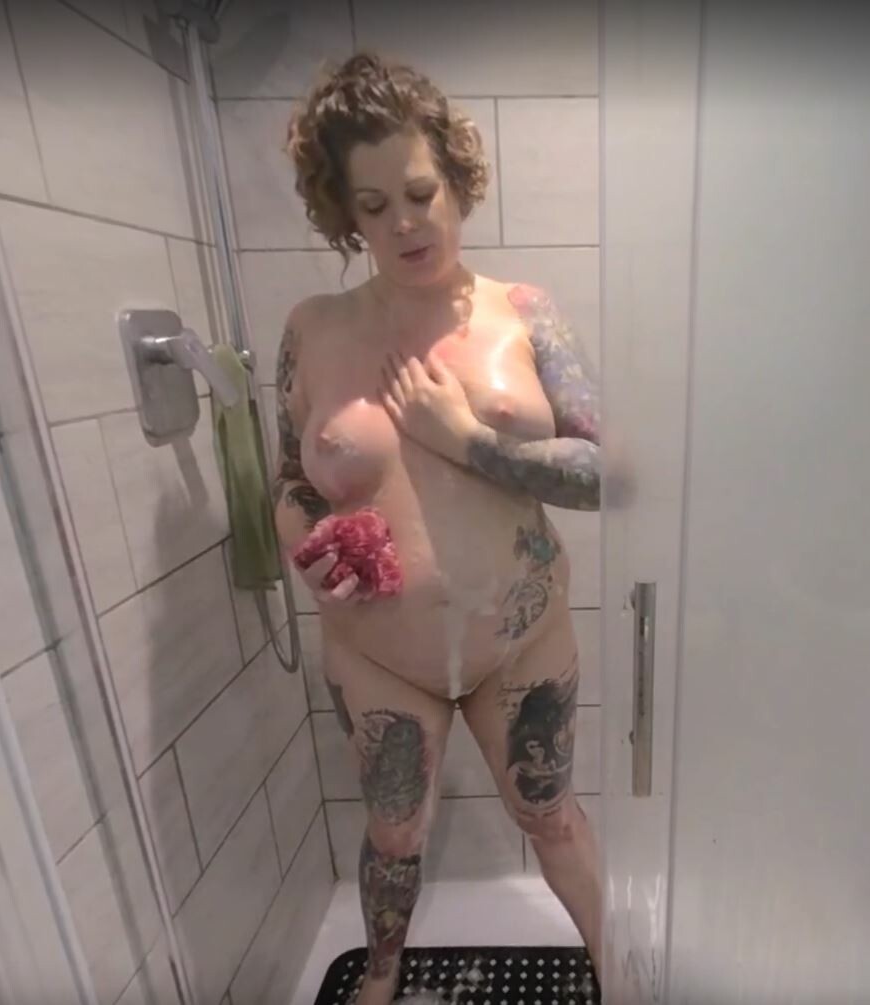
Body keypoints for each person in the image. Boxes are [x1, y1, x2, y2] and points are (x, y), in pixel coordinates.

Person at [274, 52, 602, 1005]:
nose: (405, 223)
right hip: (380, 652)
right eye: (373, 206)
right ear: (346, 213)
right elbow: (288, 482)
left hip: (520, 638)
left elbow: (602, 473)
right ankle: (381, 974)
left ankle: (614, 967)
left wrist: (464, 438)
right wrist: (306, 549)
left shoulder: (524, 312)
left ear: (456, 179)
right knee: (394, 834)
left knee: (551, 816)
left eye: (420, 193)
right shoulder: (312, 327)